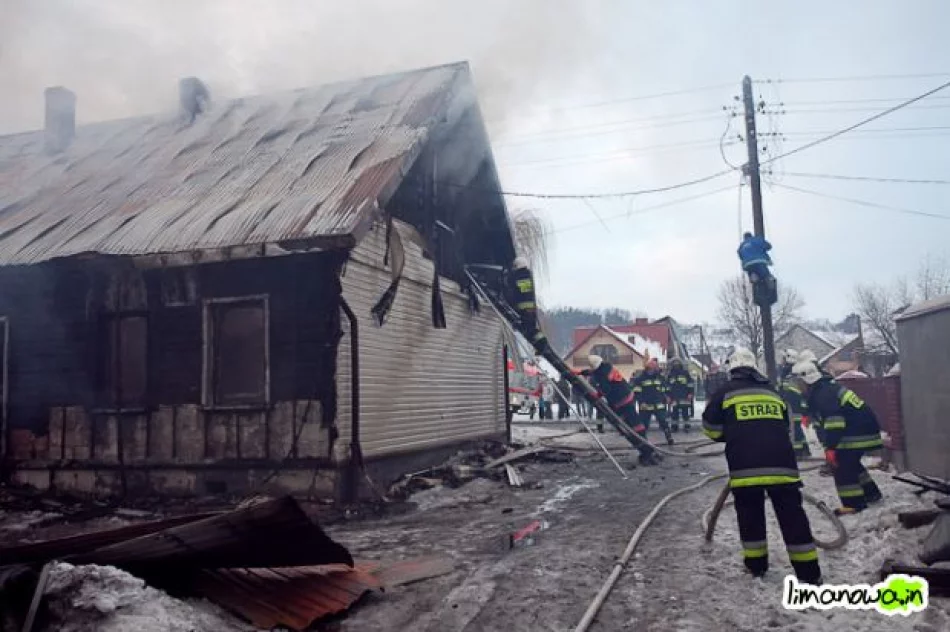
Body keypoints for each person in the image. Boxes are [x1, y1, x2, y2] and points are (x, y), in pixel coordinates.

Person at [702, 348, 822, 584]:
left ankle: (756, 567)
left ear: (732, 369)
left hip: (745, 470)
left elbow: (711, 428)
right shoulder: (772, 392)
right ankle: (809, 573)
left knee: (750, 516)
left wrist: (733, 433)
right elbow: (788, 427)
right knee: (793, 518)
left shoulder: (724, 393)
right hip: (782, 467)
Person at [791, 361, 884, 515]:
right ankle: (871, 493)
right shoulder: (824, 389)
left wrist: (831, 448)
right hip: (864, 429)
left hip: (857, 432)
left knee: (841, 465)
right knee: (851, 462)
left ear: (807, 380)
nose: (797, 386)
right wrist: (808, 414)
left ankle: (853, 503)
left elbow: (835, 423)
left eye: (798, 382)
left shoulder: (823, 393)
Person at [582, 355, 660, 465]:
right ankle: (646, 446)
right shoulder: (607, 367)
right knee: (634, 423)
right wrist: (582, 372)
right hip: (627, 397)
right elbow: (594, 372)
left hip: (621, 402)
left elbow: (605, 388)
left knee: (629, 426)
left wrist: (597, 395)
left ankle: (646, 450)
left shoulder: (601, 375)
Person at [632, 359, 674, 445]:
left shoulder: (660, 378)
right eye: (655, 366)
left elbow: (666, 388)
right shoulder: (640, 379)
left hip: (659, 405)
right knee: (644, 425)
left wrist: (668, 396)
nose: (657, 368)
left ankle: (669, 437)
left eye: (656, 366)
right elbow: (637, 392)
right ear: (649, 367)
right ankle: (642, 440)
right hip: (645, 406)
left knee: (663, 422)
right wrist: (641, 402)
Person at [778, 349, 811, 458]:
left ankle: (797, 452)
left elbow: (793, 391)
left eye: (783, 359)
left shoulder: (792, 373)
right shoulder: (788, 372)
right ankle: (805, 449)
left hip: (793, 404)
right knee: (796, 427)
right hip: (793, 403)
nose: (781, 361)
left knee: (794, 427)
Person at [666, 358, 695, 432]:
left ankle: (687, 426)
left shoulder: (685, 373)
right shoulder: (670, 374)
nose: (676, 365)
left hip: (684, 396)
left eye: (677, 363)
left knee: (685, 412)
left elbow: (690, 384)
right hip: (674, 397)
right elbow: (667, 386)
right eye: (675, 364)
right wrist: (668, 396)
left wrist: (690, 393)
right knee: (674, 413)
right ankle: (674, 427)